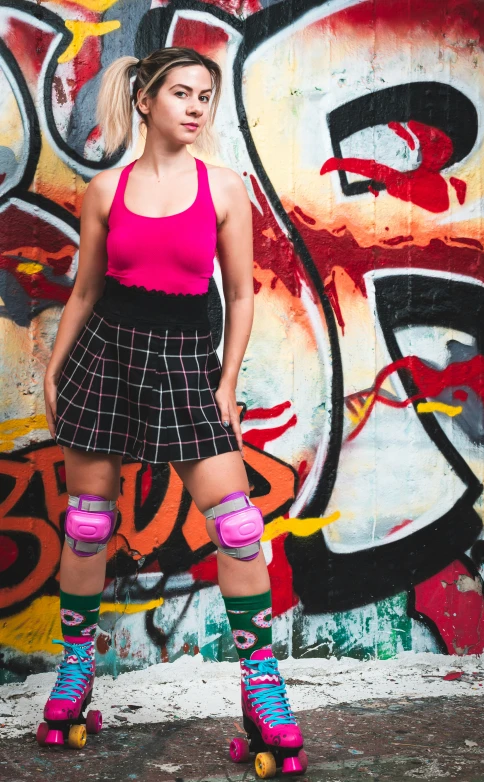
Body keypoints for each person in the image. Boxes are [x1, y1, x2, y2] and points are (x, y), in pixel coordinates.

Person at [39, 46, 306, 775]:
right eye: (182, 93)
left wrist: (225, 384)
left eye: (206, 97)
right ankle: (75, 672)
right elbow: (86, 292)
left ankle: (262, 690)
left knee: (240, 528)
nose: (196, 107)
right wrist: (57, 369)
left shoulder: (224, 188)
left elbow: (244, 294)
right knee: (89, 525)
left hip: (189, 362)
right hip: (108, 356)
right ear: (147, 100)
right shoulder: (105, 190)